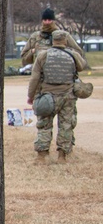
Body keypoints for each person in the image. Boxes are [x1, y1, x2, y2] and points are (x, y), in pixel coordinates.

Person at [27, 29, 88, 162]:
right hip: (68, 96)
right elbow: (82, 66)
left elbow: (35, 78)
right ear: (65, 40)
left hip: (47, 96)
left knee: (44, 125)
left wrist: (30, 96)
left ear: (53, 40)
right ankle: (62, 156)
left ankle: (42, 156)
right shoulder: (72, 54)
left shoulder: (43, 55)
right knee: (66, 125)